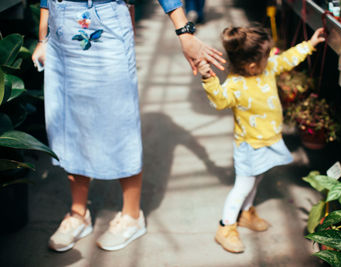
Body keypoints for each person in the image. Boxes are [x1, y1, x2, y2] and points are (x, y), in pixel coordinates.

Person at [32, 0, 225, 252]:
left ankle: (132, 216)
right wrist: (42, 38)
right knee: (70, 123)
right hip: (60, 28)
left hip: (105, 21)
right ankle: (78, 214)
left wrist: (183, 32)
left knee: (118, 122)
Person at [196, 25, 325, 253]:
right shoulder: (236, 85)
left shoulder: (267, 69)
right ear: (253, 64)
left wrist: (310, 44)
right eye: (267, 55)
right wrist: (209, 78)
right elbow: (219, 100)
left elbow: (286, 59)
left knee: (255, 181)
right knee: (243, 186)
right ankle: (225, 227)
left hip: (268, 141)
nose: (272, 57)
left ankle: (246, 214)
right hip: (250, 146)